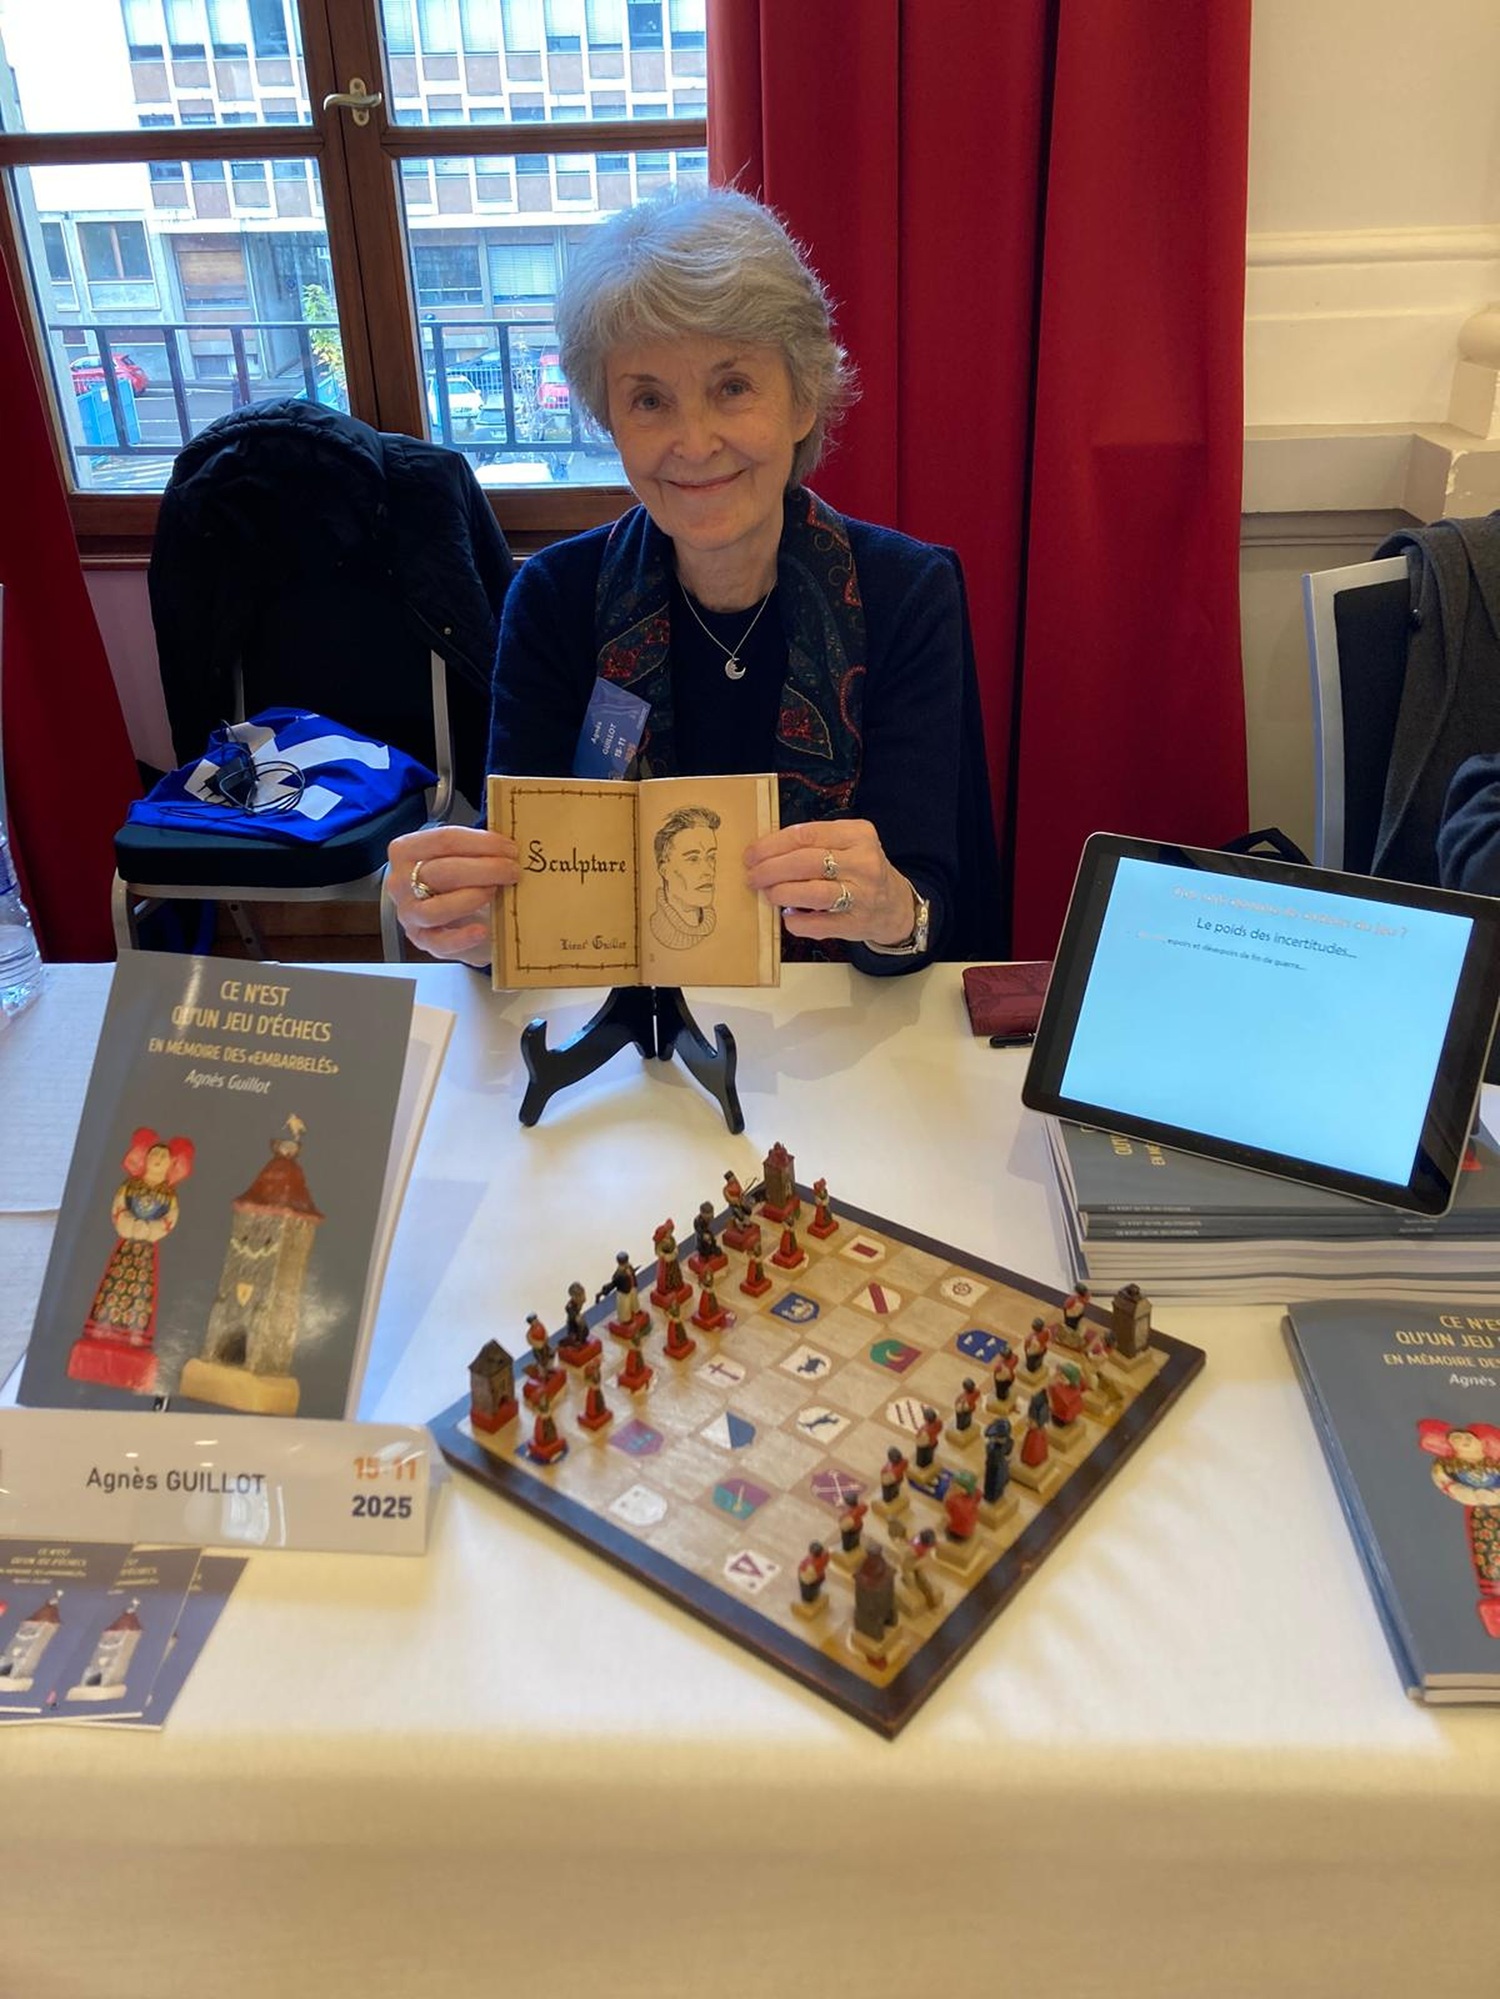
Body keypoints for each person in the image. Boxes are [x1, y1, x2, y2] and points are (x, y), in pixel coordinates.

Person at [389, 187, 973, 972]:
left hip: (840, 1024)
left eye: (732, 387)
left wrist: (894, 911)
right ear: (609, 420)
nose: (694, 444)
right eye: (649, 400)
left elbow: (929, 908)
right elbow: (523, 909)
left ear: (802, 399)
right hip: (625, 1021)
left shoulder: (904, 594)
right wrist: (469, 922)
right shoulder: (555, 600)